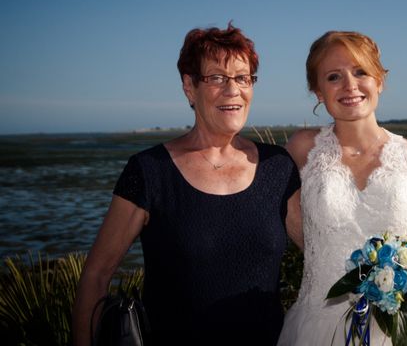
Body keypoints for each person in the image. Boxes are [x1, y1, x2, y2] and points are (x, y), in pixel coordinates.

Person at [73, 24, 302, 346]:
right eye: (217, 78)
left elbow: (322, 253)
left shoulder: (276, 166)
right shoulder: (150, 171)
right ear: (189, 86)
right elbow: (96, 276)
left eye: (242, 77)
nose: (233, 89)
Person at [277, 31, 407, 345]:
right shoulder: (301, 149)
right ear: (318, 91)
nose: (350, 85)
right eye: (334, 76)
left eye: (361, 72)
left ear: (379, 80)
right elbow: (288, 218)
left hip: (399, 328)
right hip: (316, 325)